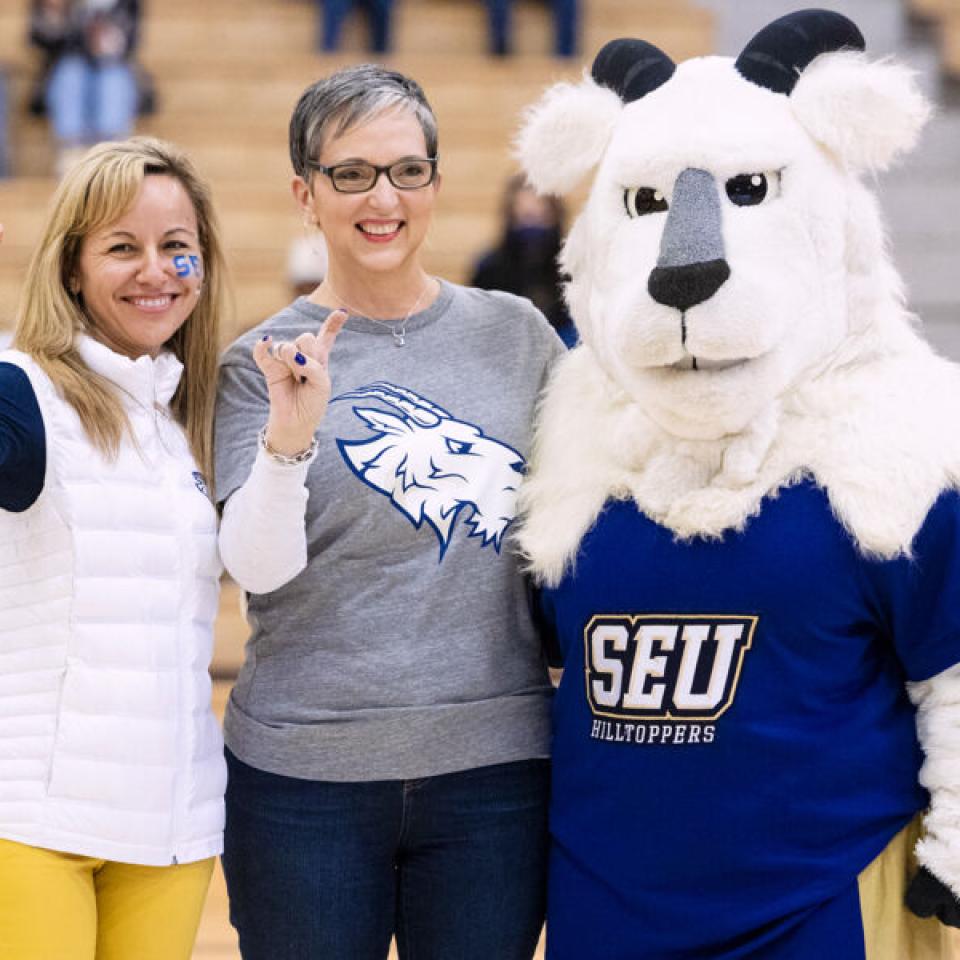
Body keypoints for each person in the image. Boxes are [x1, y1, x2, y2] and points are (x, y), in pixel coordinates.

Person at [215, 63, 563, 960]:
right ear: (305, 193)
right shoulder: (259, 362)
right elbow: (255, 570)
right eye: (352, 173)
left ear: (436, 185)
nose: (384, 197)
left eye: (407, 171)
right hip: (306, 781)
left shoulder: (516, 334)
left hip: (494, 776)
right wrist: (290, 438)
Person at [0, 137, 228, 960]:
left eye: (178, 249)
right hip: (33, 822)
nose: (155, 272)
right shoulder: (18, 391)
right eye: (122, 248)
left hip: (172, 828)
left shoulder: (195, 412)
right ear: (71, 268)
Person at [29, 0, 141, 173]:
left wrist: (107, 39)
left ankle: (111, 151)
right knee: (72, 72)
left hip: (111, 67)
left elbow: (131, 40)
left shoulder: (125, 4)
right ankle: (71, 150)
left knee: (111, 76)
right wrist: (56, 15)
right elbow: (40, 38)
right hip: (64, 70)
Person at [471, 173, 576, 347]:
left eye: (543, 217)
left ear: (556, 217)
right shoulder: (489, 269)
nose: (534, 226)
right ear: (512, 217)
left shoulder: (572, 271)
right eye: (526, 217)